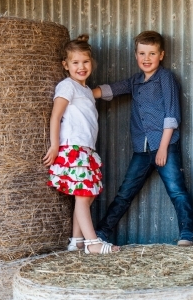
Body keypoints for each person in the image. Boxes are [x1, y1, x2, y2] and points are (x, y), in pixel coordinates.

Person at [92, 31, 193, 246]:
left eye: (151, 53)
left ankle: (188, 234)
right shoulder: (136, 81)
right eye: (142, 53)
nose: (146, 58)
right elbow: (112, 89)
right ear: (136, 55)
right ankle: (101, 233)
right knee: (125, 193)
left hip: (165, 146)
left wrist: (163, 148)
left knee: (177, 191)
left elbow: (172, 115)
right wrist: (81, 91)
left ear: (161, 55)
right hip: (142, 148)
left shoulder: (165, 78)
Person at [43, 34, 119, 255]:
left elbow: (103, 93)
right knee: (83, 195)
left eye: (85, 61)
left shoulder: (85, 90)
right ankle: (92, 242)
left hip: (86, 149)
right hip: (73, 148)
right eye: (75, 63)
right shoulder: (67, 86)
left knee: (86, 194)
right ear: (65, 65)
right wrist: (55, 146)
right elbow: (55, 116)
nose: (81, 67)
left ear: (91, 63)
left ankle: (76, 240)